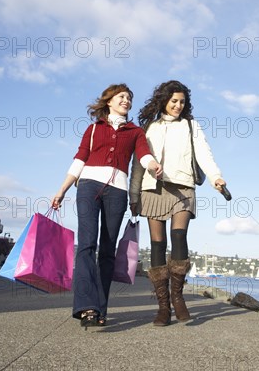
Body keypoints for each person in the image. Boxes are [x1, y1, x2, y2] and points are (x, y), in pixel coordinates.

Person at [52, 84, 162, 329]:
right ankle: (86, 306)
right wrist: (62, 189)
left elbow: (143, 155)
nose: (126, 100)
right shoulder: (93, 129)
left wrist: (154, 165)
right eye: (122, 96)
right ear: (109, 101)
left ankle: (100, 309)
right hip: (89, 187)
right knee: (87, 244)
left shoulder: (135, 131)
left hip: (118, 191)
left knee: (108, 251)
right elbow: (79, 159)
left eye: (129, 98)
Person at [130, 80, 227, 326]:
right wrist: (133, 196)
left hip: (183, 186)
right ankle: (163, 306)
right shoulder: (150, 127)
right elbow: (139, 161)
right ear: (164, 100)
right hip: (153, 188)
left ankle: (178, 295)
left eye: (182, 102)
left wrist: (216, 177)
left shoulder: (191, 125)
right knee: (157, 243)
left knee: (179, 236)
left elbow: (204, 153)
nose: (178, 105)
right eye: (174, 101)